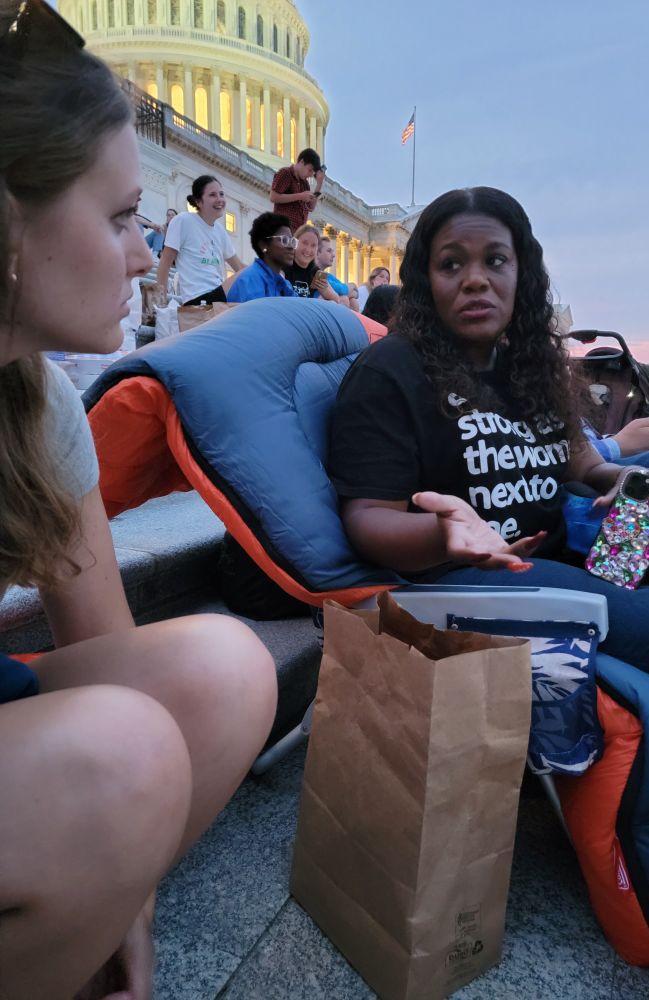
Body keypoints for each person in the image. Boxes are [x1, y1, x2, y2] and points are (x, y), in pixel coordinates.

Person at [0, 4, 277, 997]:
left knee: (226, 668)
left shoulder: (35, 404)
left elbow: (103, 641)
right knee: (117, 760)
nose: (145, 255)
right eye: (120, 217)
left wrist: (128, 884)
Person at [329, 186, 649, 805]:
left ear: (521, 273)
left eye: (494, 261)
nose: (475, 280)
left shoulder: (530, 363)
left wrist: (638, 484)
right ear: (424, 279)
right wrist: (448, 533)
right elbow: (366, 518)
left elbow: (581, 463)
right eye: (452, 264)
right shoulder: (390, 372)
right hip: (482, 576)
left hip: (573, 538)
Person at [155, 174, 246, 305]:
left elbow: (239, 267)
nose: (220, 199)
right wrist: (161, 301)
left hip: (218, 297)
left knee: (252, 277)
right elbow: (165, 263)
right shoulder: (183, 220)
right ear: (198, 202)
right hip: (197, 299)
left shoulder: (220, 231)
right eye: (212, 195)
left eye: (221, 194)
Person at [225, 212, 295, 303]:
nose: (291, 247)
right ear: (263, 245)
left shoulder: (285, 284)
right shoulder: (249, 283)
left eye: (292, 241)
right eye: (284, 240)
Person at [269, 147, 325, 234]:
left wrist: (319, 185)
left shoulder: (305, 184)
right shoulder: (286, 173)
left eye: (312, 173)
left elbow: (311, 207)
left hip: (297, 233)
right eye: (309, 170)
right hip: (283, 229)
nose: (310, 175)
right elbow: (273, 196)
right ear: (301, 162)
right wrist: (300, 196)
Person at [285, 224, 339, 300]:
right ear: (294, 243)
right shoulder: (284, 266)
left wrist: (324, 290)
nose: (308, 250)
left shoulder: (315, 272)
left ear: (317, 250)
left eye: (313, 245)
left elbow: (336, 299)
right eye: (305, 243)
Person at [315, 235, 350, 305]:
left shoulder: (328, 275)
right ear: (317, 253)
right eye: (329, 251)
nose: (333, 255)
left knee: (350, 300)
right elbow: (343, 289)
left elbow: (345, 289)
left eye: (332, 251)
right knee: (344, 299)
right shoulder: (316, 273)